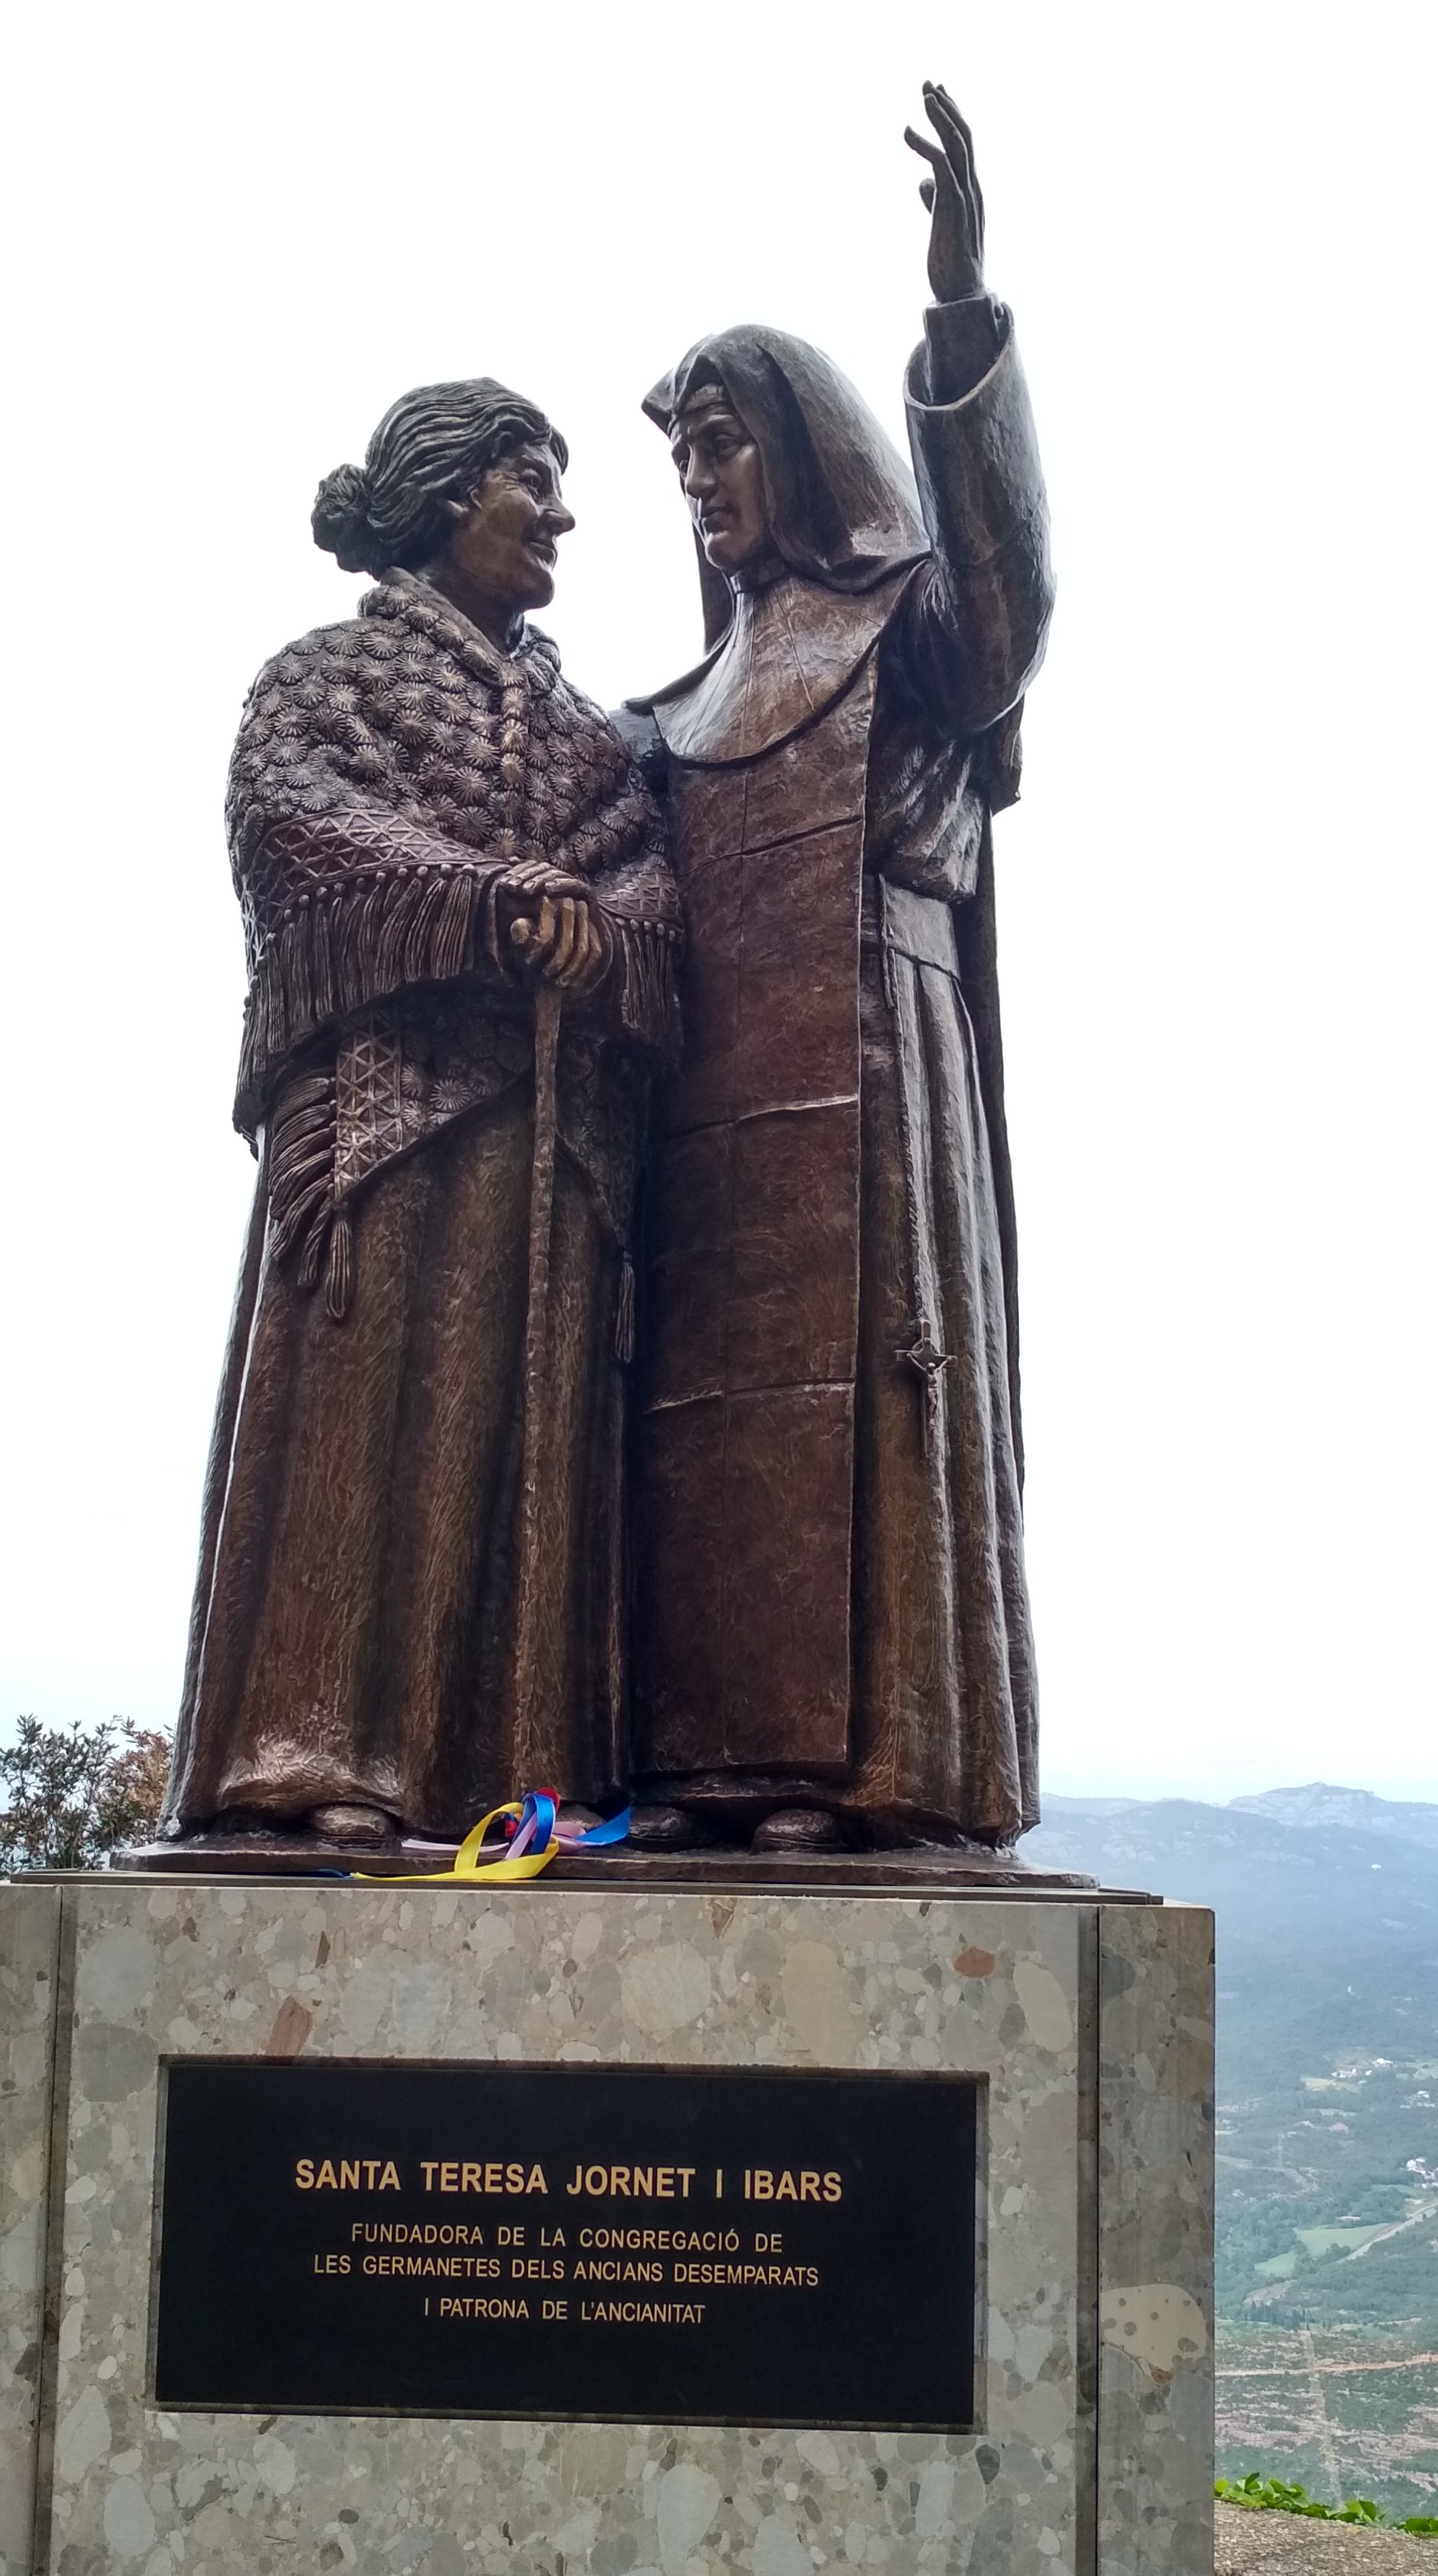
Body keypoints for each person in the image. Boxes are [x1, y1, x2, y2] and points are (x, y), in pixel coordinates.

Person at [163, 382, 679, 1850]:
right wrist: (482, 902)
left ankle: (524, 1772)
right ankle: (314, 1752)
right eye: (533, 479)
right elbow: (296, 829)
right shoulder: (326, 680)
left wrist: (601, 933)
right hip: (385, 1124)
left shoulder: (589, 734)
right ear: (451, 493)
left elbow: (647, 876)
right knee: (361, 1422)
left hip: (556, 1141)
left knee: (534, 1442)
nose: (562, 514)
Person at [629, 86, 1052, 1851]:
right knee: (700, 1429)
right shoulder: (673, 706)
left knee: (879, 1400)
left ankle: (876, 1771)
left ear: (798, 452)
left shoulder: (910, 629)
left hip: (878, 1058)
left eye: (723, 446)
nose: (700, 483)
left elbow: (1011, 597)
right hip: (710, 1112)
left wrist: (959, 323)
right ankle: (707, 1764)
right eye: (682, 461)